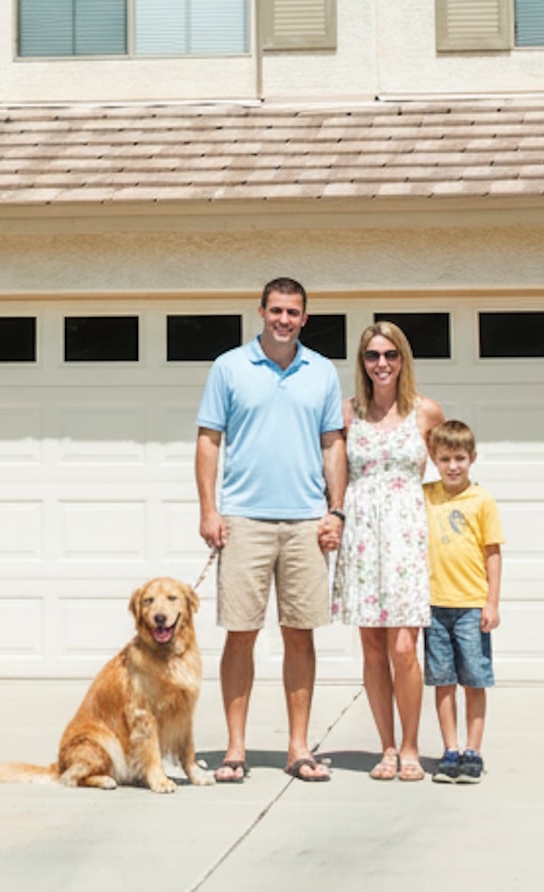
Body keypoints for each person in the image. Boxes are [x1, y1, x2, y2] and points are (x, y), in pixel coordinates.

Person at [195, 277, 347, 783]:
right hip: (244, 520)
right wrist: (209, 510)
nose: (284, 319)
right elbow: (209, 440)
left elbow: (332, 445)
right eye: (276, 310)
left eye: (294, 312)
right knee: (240, 635)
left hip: (306, 521)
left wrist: (336, 510)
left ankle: (298, 748)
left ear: (305, 317)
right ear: (260, 310)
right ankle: (235, 749)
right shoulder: (229, 367)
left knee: (300, 636)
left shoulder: (322, 372)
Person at [330, 322, 445, 781]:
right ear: (362, 362)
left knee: (403, 648)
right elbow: (332, 476)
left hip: (407, 537)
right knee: (373, 650)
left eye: (390, 355)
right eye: (373, 355)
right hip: (362, 539)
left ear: (403, 360)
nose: (382, 364)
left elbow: (449, 475)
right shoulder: (347, 414)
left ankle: (413, 746)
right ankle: (387, 748)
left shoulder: (425, 412)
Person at [422, 419, 503, 784]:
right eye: (444, 458)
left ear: (472, 458)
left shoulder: (481, 499)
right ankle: (450, 749)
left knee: (473, 680)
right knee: (443, 682)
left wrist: (492, 603)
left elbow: (493, 553)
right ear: (433, 459)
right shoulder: (426, 495)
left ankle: (473, 751)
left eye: (459, 458)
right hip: (434, 606)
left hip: (471, 605)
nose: (452, 466)